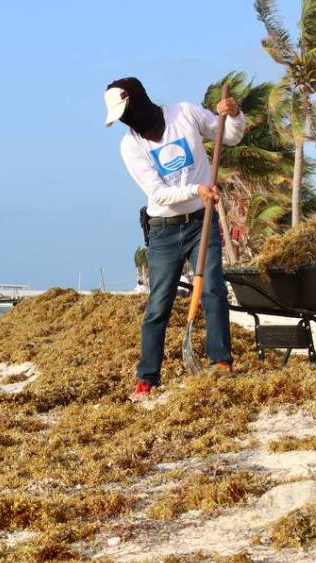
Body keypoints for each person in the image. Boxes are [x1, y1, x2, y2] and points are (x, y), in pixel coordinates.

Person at [104, 77, 244, 399]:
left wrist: (233, 114)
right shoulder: (130, 145)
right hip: (164, 230)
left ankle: (221, 362)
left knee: (212, 290)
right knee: (158, 305)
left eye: (127, 111)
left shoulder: (185, 113)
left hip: (201, 221)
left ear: (138, 101)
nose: (128, 120)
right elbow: (158, 193)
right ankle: (148, 377)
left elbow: (230, 136)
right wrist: (198, 189)